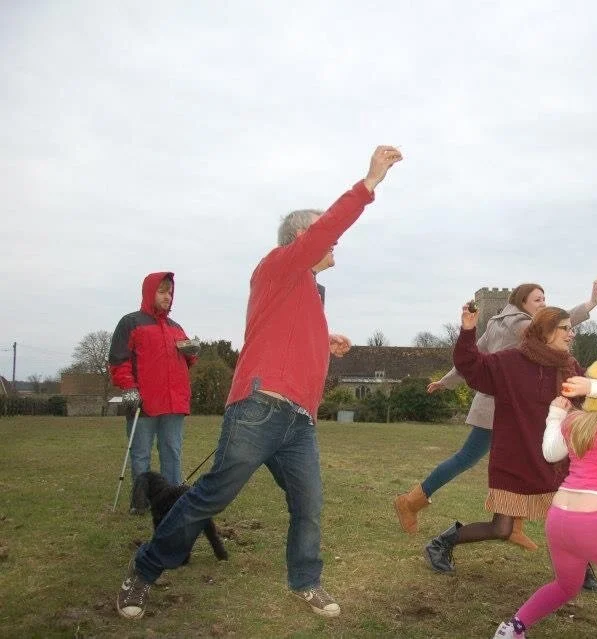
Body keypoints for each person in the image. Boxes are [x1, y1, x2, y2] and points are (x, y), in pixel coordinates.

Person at [115, 145, 403, 621]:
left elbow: (279, 329)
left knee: (308, 504)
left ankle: (305, 581)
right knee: (211, 497)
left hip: (298, 422)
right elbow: (331, 225)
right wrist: (370, 182)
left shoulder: (304, 288)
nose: (335, 244)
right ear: (300, 237)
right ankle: (142, 572)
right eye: (322, 235)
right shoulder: (278, 264)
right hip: (259, 409)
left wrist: (325, 339)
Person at [394, 279, 597, 553]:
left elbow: (474, 352)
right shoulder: (523, 326)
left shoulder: (496, 322)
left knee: (526, 460)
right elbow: (554, 327)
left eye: (544, 299)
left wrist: (446, 381)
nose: (543, 304)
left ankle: (511, 527)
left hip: (520, 406)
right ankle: (411, 502)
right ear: (522, 303)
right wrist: (589, 305)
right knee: (471, 459)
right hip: (502, 407)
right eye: (538, 300)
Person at [492, 356, 597, 639]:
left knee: (567, 586)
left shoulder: (576, 422)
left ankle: (513, 629)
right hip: (592, 522)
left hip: (559, 519)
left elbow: (550, 453)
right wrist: (592, 387)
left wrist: (555, 415)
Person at [423, 304, 584, 575]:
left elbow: (592, 393)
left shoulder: (569, 367)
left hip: (555, 459)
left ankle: (583, 568)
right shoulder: (510, 362)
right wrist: (467, 331)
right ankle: (441, 543)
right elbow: (471, 365)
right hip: (516, 458)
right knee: (502, 528)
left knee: (572, 515)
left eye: (572, 329)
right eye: (566, 329)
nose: (572, 335)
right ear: (546, 332)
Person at [109, 272, 197, 514]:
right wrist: (129, 388)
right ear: (150, 293)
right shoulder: (131, 323)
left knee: (172, 452)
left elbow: (187, 362)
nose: (168, 296)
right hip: (143, 404)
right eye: (162, 291)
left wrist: (191, 351)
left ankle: (171, 500)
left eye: (170, 292)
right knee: (140, 454)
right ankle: (141, 501)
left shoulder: (176, 328)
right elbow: (118, 360)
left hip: (174, 403)